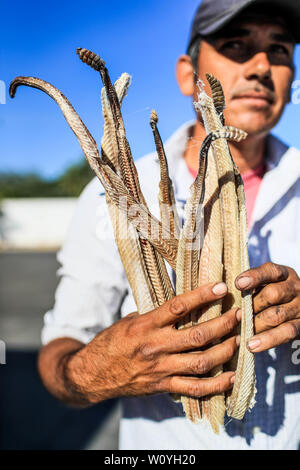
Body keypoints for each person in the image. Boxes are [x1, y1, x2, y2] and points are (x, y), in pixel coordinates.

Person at [38, 0, 300, 450]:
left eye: (279, 50)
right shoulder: (113, 195)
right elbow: (59, 362)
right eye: (236, 45)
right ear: (187, 73)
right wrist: (106, 368)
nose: (261, 66)